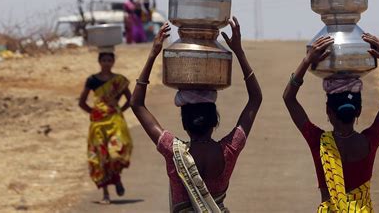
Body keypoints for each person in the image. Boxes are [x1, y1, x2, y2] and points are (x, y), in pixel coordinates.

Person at [130, 17, 262, 212]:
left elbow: (137, 104)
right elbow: (255, 99)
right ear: (214, 121)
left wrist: (153, 54)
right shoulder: (229, 150)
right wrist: (239, 52)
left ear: (184, 123)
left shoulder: (173, 151)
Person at [283, 33, 379, 212]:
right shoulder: (369, 142)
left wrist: (307, 60)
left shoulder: (320, 143)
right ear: (358, 111)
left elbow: (289, 98)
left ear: (328, 111)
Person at [78, 52, 133, 204]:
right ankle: (106, 194)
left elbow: (131, 100)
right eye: (104, 60)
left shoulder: (119, 80)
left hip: (115, 121)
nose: (107, 63)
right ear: (99, 62)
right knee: (101, 157)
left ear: (113, 61)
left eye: (110, 60)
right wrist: (94, 113)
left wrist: (119, 110)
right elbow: (81, 102)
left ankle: (117, 179)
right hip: (97, 124)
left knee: (116, 153)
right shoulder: (92, 80)